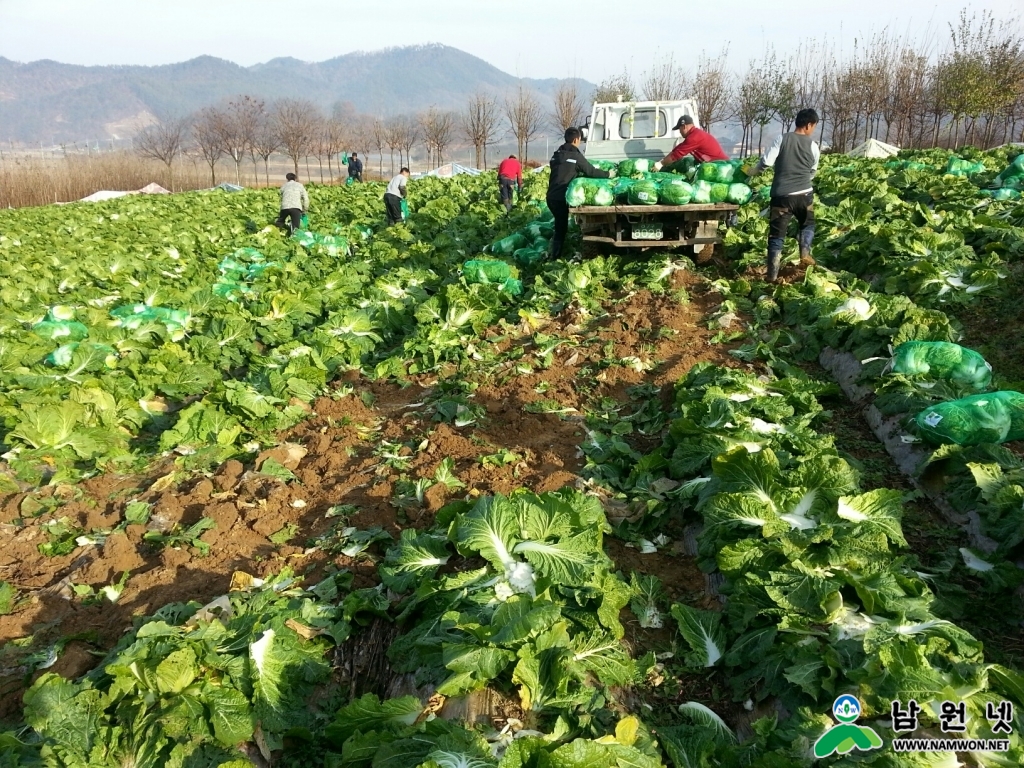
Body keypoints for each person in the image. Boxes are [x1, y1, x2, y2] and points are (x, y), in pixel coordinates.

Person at [746, 108, 821, 282]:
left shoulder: (782, 139)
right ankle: (805, 253)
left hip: (782, 196)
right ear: (809, 125)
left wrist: (753, 172)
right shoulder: (813, 146)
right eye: (814, 126)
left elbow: (766, 162)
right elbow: (812, 171)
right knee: (807, 224)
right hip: (805, 195)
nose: (813, 130)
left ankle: (772, 276)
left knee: (776, 236)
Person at [546, 127, 614, 260]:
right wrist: (608, 174)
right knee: (561, 228)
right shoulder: (576, 156)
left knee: (560, 225)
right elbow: (591, 172)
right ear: (576, 139)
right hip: (560, 197)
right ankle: (555, 257)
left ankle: (555, 252)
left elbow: (564, 170)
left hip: (551, 197)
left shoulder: (556, 154)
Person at [653, 115, 729, 170]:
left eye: (679, 129)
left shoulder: (694, 137)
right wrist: (661, 161)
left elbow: (676, 155)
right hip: (714, 165)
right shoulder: (694, 135)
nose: (680, 132)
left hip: (720, 166)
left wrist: (661, 164)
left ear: (684, 127)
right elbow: (677, 150)